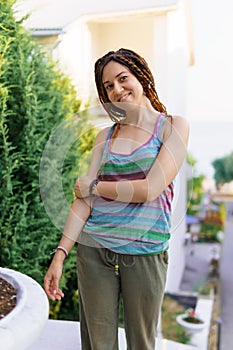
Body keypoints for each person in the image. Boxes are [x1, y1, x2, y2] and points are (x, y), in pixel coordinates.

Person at [44, 48, 189, 350]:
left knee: (141, 343)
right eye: (108, 86)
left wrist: (96, 186)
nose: (117, 90)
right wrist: (60, 255)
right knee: (98, 344)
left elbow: (150, 188)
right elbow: (82, 202)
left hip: (145, 253)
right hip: (95, 251)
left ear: (142, 77)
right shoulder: (105, 137)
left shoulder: (173, 126)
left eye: (123, 79)